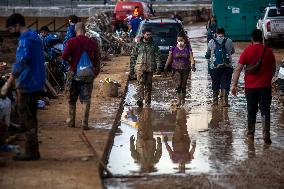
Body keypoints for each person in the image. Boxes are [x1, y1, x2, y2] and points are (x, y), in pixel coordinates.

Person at [1, 13, 46, 160]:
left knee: (27, 118)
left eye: (11, 29)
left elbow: (21, 61)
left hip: (27, 83)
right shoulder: (35, 37)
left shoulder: (25, 40)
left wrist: (9, 82)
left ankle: (31, 152)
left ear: (17, 25)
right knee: (31, 116)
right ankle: (33, 150)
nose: (10, 32)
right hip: (37, 82)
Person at [231, 29, 276, 144]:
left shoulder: (247, 51)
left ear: (251, 39)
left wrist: (234, 85)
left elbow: (238, 69)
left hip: (250, 88)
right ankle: (266, 134)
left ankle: (250, 135)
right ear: (262, 38)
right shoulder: (269, 51)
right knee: (265, 110)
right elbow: (274, 68)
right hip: (265, 87)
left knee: (251, 110)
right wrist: (268, 79)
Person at [62, 22, 100, 130]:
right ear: (85, 30)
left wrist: (71, 62)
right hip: (88, 75)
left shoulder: (71, 42)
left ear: (76, 30)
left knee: (71, 99)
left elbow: (64, 57)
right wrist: (95, 73)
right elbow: (97, 59)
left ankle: (71, 121)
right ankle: (84, 123)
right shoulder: (92, 43)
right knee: (86, 99)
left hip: (74, 74)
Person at [130, 28, 161, 108]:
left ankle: (147, 103)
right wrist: (132, 69)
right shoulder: (138, 44)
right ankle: (140, 101)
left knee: (148, 86)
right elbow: (133, 56)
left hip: (150, 68)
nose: (149, 36)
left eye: (150, 34)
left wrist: (159, 67)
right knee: (140, 84)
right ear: (143, 35)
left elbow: (157, 56)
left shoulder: (154, 45)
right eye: (147, 34)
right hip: (140, 68)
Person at [164, 32, 196, 107]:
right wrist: (166, 66)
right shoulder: (174, 47)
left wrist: (193, 64)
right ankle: (179, 100)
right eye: (178, 40)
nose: (180, 42)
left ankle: (183, 100)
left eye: (181, 40)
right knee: (178, 84)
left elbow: (191, 57)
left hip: (185, 69)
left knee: (183, 85)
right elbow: (169, 57)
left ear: (184, 40)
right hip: (176, 69)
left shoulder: (188, 47)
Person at [206, 27, 235, 107]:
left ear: (216, 33)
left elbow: (208, 53)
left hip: (214, 67)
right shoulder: (229, 41)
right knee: (225, 83)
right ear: (224, 33)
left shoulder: (211, 41)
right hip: (227, 66)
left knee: (215, 83)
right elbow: (232, 51)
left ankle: (215, 102)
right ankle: (225, 102)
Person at [163, 109, 196, 173]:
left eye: (181, 167)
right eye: (183, 167)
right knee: (183, 126)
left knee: (178, 126)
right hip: (186, 140)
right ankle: (182, 112)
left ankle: (179, 111)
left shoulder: (174, 160)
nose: (182, 166)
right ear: (184, 167)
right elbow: (191, 152)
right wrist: (194, 146)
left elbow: (170, 151)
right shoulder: (188, 160)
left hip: (176, 140)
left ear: (178, 167)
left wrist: (166, 143)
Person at [130, 108, 162, 173]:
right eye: (148, 170)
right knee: (149, 124)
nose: (146, 169)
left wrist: (131, 142)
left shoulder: (138, 161)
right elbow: (159, 151)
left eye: (145, 170)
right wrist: (159, 143)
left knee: (141, 125)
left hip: (141, 141)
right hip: (150, 140)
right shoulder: (154, 161)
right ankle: (146, 109)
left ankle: (141, 110)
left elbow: (133, 151)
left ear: (142, 169)